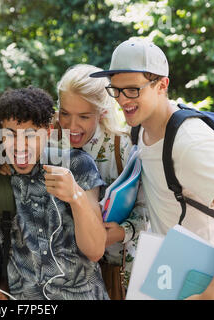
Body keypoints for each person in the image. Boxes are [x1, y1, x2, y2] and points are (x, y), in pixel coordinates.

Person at [90, 38, 214, 300]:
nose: (123, 99)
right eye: (116, 90)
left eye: (133, 90)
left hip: (208, 282)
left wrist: (213, 295)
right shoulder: (141, 131)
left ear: (162, 85)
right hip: (171, 276)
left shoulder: (190, 143)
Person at [0, 86, 109, 300]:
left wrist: (76, 196)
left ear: (47, 132)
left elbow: (95, 250)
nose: (20, 145)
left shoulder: (77, 164)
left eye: (30, 135)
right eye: (10, 135)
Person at [55, 64, 148, 296]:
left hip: (120, 272)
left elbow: (148, 210)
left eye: (84, 117)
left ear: (102, 112)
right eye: (64, 113)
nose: (72, 126)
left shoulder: (124, 147)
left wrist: (121, 232)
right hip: (71, 277)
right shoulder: (53, 145)